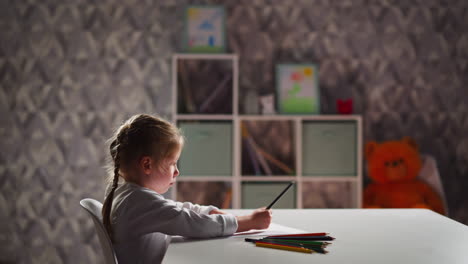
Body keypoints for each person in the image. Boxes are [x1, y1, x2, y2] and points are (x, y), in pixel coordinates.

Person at [102, 114, 272, 263]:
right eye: (172, 164)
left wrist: (210, 212)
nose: (177, 171)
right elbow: (194, 225)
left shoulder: (127, 193)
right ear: (147, 164)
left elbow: (177, 210)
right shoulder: (140, 202)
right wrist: (249, 222)